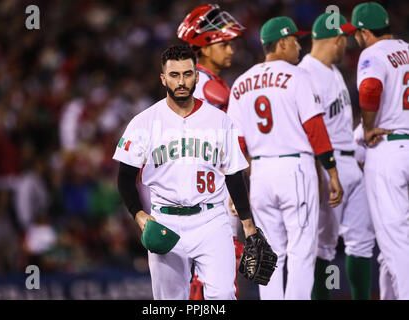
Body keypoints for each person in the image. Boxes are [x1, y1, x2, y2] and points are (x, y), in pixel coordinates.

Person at [113, 44, 260, 300]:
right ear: (163, 78)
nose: (181, 81)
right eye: (174, 75)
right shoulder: (144, 123)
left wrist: (248, 224)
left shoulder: (220, 121)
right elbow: (125, 178)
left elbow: (235, 175)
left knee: (224, 294)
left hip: (212, 220)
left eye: (187, 74)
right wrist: (138, 214)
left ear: (196, 76)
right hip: (165, 222)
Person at [227, 16, 343, 300]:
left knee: (269, 252)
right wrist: (333, 172)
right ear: (280, 43)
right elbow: (315, 129)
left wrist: (235, 189)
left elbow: (236, 145)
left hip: (260, 173)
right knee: (302, 250)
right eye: (294, 40)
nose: (299, 46)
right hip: (295, 168)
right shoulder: (298, 76)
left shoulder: (241, 83)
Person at [298, 12, 375, 300]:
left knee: (362, 241)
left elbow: (339, 125)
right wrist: (322, 171)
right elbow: (308, 130)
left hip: (350, 162)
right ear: (337, 39)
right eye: (345, 39)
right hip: (326, 167)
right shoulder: (305, 73)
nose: (348, 45)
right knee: (324, 246)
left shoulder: (333, 71)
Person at [177, 3, 246, 299]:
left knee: (213, 272)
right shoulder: (204, 85)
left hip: (206, 187)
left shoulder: (203, 81)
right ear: (204, 47)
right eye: (224, 44)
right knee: (219, 272)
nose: (230, 50)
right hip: (212, 190)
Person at [347, 1, 409, 299]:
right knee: (392, 247)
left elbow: (370, 89)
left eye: (356, 34)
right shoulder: (408, 49)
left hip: (390, 148)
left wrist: (368, 127)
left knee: (395, 240)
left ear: (364, 32)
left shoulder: (373, 52)